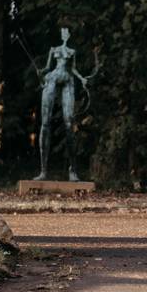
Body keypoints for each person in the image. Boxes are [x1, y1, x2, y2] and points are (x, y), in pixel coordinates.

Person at [34, 27, 98, 182]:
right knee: (45, 123)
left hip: (68, 80)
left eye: (66, 33)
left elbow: (73, 69)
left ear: (68, 35)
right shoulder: (53, 49)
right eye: (62, 32)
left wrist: (82, 78)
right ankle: (43, 171)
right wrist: (41, 72)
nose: (64, 35)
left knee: (69, 123)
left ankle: (73, 171)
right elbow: (48, 67)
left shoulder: (72, 51)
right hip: (53, 77)